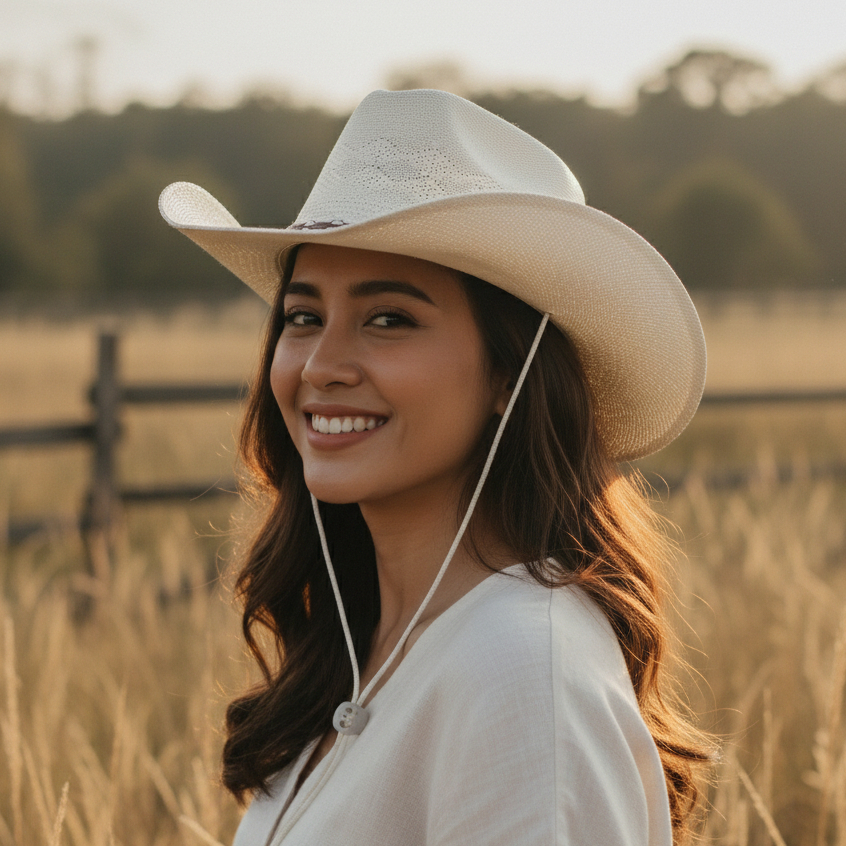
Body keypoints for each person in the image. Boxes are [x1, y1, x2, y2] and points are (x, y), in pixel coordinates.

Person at [159, 88, 712, 845]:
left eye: (390, 319)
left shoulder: (521, 671)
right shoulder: (366, 650)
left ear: (507, 377)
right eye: (302, 316)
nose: (322, 365)